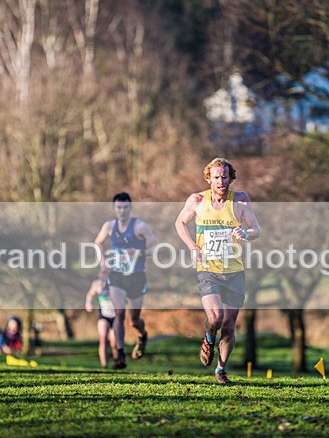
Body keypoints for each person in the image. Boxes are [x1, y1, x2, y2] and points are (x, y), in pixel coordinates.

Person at [175, 157, 260, 385]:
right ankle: (209, 336)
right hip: (208, 270)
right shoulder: (197, 200)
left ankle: (221, 369)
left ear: (230, 177)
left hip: (234, 272)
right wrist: (192, 246)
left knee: (230, 327)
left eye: (225, 177)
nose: (221, 181)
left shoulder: (240, 201)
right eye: (216, 177)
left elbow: (256, 229)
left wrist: (246, 234)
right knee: (215, 318)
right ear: (208, 178)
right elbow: (179, 223)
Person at [93, 192, 158, 369]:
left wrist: (139, 253)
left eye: (125, 207)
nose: (122, 211)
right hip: (117, 275)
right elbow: (97, 243)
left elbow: (156, 247)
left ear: (130, 208)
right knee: (119, 313)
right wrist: (102, 261)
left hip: (137, 277)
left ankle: (142, 334)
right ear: (114, 209)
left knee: (133, 321)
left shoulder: (140, 227)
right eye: (119, 208)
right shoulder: (109, 226)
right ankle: (120, 356)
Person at [85, 265, 117, 368]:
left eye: (106, 273)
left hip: (115, 316)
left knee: (114, 343)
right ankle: (104, 365)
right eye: (102, 273)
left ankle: (117, 361)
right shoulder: (96, 284)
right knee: (103, 339)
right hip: (104, 315)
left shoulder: (116, 284)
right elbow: (89, 295)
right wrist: (88, 303)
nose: (103, 275)